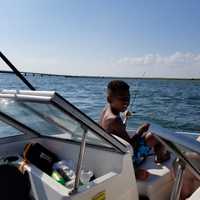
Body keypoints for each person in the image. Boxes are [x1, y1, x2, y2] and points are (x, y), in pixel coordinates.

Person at [99, 80, 170, 180]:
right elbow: (131, 147)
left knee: (147, 135)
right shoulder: (114, 119)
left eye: (128, 98)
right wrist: (140, 130)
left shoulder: (106, 110)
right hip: (126, 159)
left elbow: (116, 132)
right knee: (157, 135)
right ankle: (160, 157)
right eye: (122, 99)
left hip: (113, 156)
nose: (126, 102)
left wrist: (124, 118)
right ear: (109, 99)